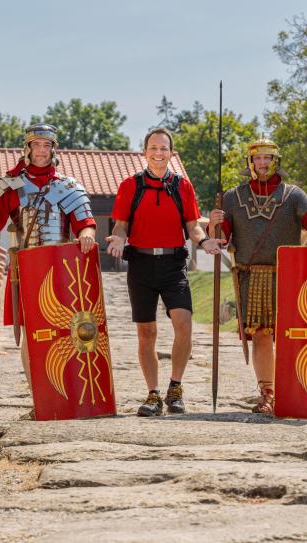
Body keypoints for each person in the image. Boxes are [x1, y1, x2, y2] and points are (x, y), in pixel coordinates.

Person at [208, 138, 307, 416]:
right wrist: (215, 223)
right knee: (262, 335)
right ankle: (268, 393)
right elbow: (220, 240)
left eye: (268, 158)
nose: (263, 163)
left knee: (294, 335)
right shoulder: (233, 197)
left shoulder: (293, 195)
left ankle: (295, 391)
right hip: (252, 277)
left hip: (289, 276)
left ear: (275, 160)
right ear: (250, 162)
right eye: (258, 158)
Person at [106, 128, 223, 416]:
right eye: (153, 148)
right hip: (141, 265)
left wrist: (205, 240)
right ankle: (153, 394)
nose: (158, 153)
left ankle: (175, 387)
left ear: (171, 152)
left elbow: (192, 225)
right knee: (147, 333)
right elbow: (120, 225)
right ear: (144, 152)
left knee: (184, 324)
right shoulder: (129, 186)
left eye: (164, 149)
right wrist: (119, 237)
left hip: (173, 264)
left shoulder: (183, 186)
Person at [0, 123, 96, 392]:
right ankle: (39, 395)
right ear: (27, 148)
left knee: (68, 331)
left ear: (54, 149)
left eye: (46, 145)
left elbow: (84, 222)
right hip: (25, 268)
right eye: (36, 145)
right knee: (32, 334)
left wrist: (87, 234)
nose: (41, 150)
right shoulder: (9, 185)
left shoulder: (68, 186)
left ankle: (67, 392)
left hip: (60, 268)